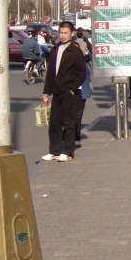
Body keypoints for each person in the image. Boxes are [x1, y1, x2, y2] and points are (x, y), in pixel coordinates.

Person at [41, 22, 86, 162]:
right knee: (54, 122)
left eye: (66, 33)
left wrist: (73, 88)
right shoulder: (55, 49)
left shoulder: (75, 50)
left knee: (69, 122)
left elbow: (82, 73)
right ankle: (54, 150)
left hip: (70, 92)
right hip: (56, 92)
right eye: (61, 32)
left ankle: (67, 151)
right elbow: (50, 73)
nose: (63, 35)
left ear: (71, 33)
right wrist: (46, 91)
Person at [74, 29, 93, 143]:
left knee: (75, 113)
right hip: (79, 91)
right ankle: (76, 133)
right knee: (78, 113)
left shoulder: (75, 44)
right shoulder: (85, 43)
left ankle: (75, 133)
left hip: (76, 91)